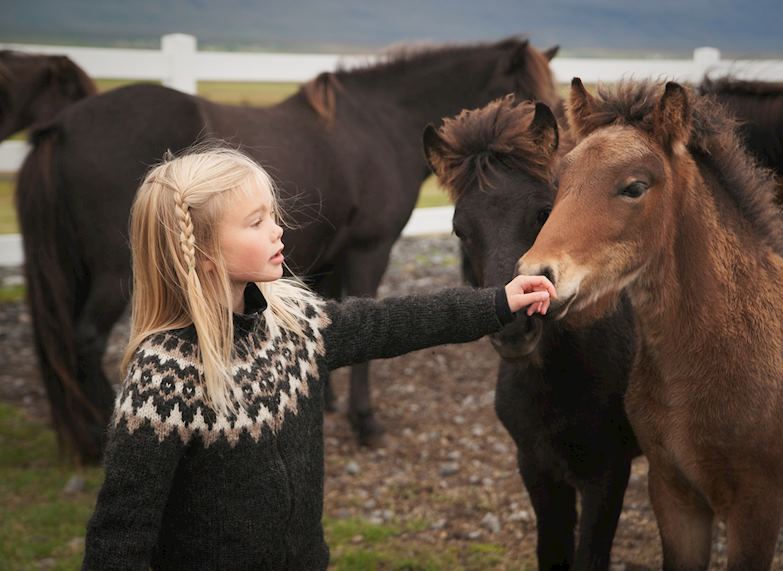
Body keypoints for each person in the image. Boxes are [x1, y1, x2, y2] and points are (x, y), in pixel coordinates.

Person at [81, 147, 556, 570]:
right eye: (256, 222)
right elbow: (121, 531)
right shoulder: (164, 379)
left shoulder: (295, 325)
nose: (278, 230)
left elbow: (391, 322)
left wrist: (497, 302)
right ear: (203, 252)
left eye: (272, 215)